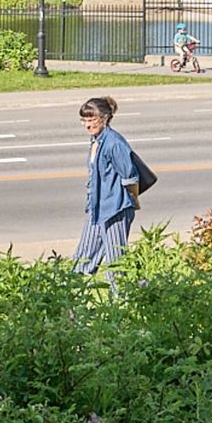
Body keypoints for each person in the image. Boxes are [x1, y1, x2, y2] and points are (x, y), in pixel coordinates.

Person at [73, 97, 140, 284]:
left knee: (116, 260)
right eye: (84, 120)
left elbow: (130, 175)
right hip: (96, 207)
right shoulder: (96, 140)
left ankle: (124, 298)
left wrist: (132, 202)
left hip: (115, 209)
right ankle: (68, 294)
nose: (87, 125)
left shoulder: (113, 142)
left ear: (104, 118)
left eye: (92, 120)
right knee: (84, 256)